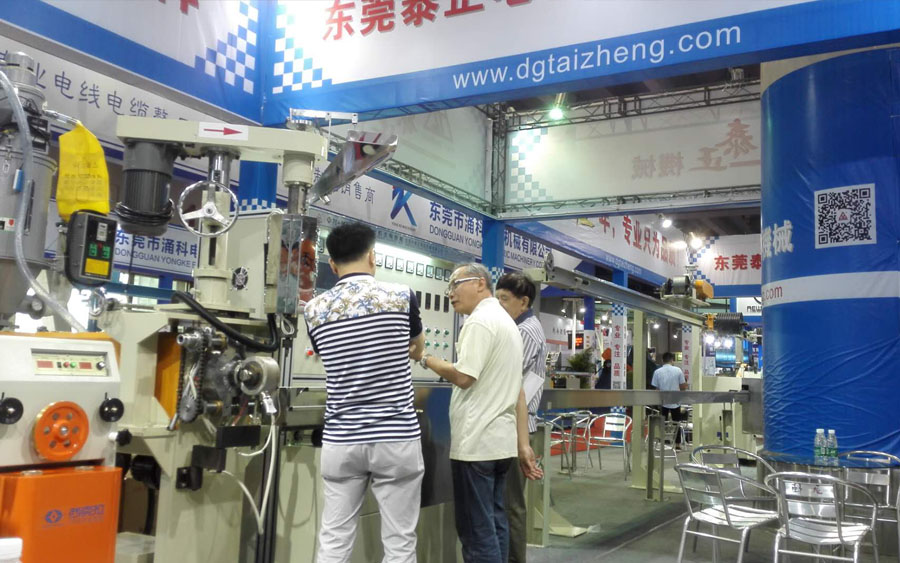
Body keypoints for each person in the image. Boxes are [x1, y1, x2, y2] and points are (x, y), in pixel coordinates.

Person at [303, 222, 425, 563]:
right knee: (400, 542)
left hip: (341, 439)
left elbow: (325, 355)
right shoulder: (402, 296)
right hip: (395, 437)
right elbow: (418, 349)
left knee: (334, 540)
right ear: (373, 256)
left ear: (332, 264)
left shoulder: (313, 309)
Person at [418, 263, 543, 563]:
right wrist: (522, 445)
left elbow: (464, 376)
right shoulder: (508, 324)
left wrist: (425, 358)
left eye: (455, 284)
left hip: (477, 445)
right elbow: (518, 391)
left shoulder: (479, 322)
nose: (450, 293)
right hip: (500, 445)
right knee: (496, 522)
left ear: (479, 284)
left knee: (476, 531)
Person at [495, 271, 547, 563]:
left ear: (524, 302)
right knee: (508, 502)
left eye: (504, 299)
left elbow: (509, 378)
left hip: (519, 428)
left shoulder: (525, 331)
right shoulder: (523, 327)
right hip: (516, 426)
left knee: (512, 504)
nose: (499, 305)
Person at [650, 351, 688, 445]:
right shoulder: (678, 370)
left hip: (662, 401)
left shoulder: (657, 372)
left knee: (663, 423)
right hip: (676, 401)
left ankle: (662, 442)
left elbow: (656, 389)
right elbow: (683, 386)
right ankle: (677, 444)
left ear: (663, 360)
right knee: (677, 423)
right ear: (672, 360)